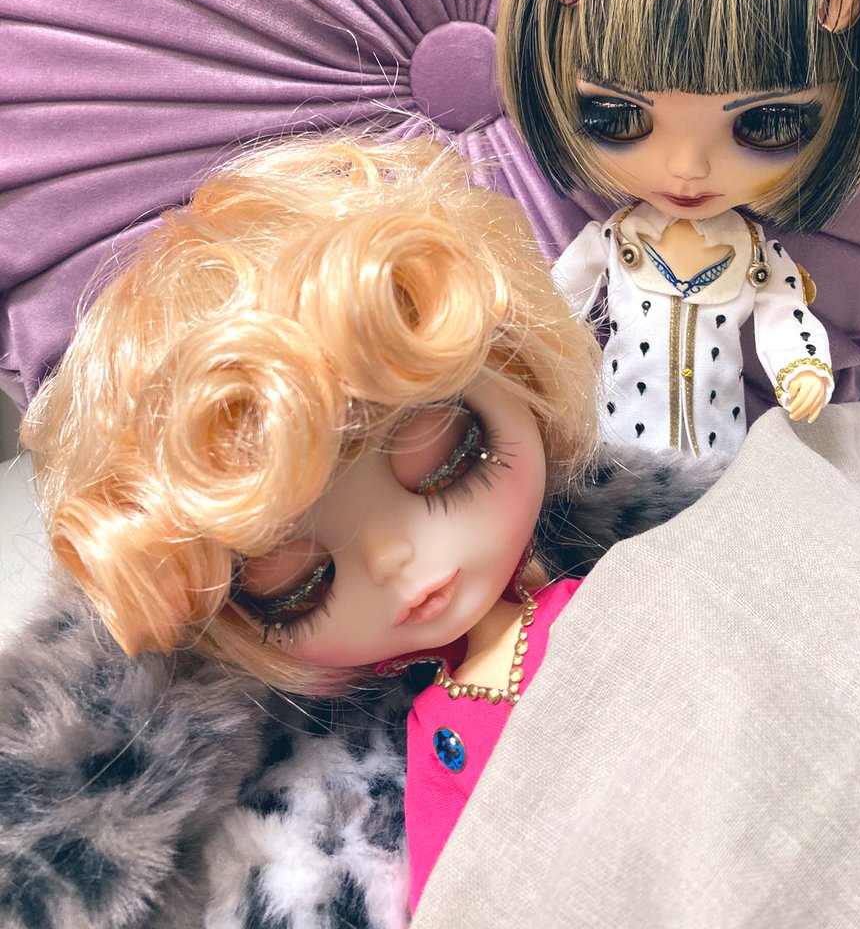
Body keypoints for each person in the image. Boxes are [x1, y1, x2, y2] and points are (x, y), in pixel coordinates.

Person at [21, 132, 605, 912]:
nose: (395, 559)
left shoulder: (634, 578)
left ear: (524, 376)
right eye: (297, 583)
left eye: (446, 460)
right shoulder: (405, 749)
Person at [497, 0, 860, 457]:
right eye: (619, 116)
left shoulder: (758, 258)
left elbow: (784, 319)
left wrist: (802, 368)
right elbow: (554, 309)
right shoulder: (612, 242)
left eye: (768, 124)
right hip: (612, 451)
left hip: (721, 455)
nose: (687, 169)